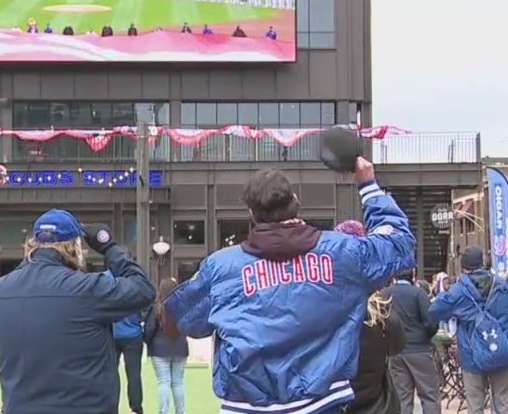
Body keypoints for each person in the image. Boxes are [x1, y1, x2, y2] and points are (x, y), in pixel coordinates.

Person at [165, 158, 415, 414]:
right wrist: (368, 186)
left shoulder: (221, 267)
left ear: (252, 213)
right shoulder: (341, 253)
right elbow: (399, 244)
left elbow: (187, 319)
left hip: (248, 404)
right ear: (295, 201)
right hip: (320, 401)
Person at [0, 211, 156, 414]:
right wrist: (109, 247)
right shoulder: (87, 289)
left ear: (32, 244)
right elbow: (143, 289)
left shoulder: (0, 290)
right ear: (75, 246)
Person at [428, 246, 508, 414]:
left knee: (475, 405)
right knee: (504, 404)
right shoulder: (502, 285)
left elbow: (434, 311)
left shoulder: (459, 290)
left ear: (464, 267)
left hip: (471, 353)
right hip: (502, 349)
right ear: (483, 262)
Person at [334, 220, 404, 414]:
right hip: (375, 404)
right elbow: (398, 345)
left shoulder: (321, 305)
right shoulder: (380, 310)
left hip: (334, 403)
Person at [386, 269, 441, 414]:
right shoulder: (419, 293)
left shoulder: (385, 295)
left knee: (402, 397)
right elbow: (431, 322)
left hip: (396, 350)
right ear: (413, 275)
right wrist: (427, 337)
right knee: (429, 395)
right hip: (420, 348)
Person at [144, 279, 189, 414]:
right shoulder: (182, 307)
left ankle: (163, 411)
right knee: (178, 382)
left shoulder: (156, 308)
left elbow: (149, 329)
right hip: (180, 348)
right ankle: (181, 411)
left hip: (159, 350)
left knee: (163, 382)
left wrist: (148, 342)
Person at [111, 301, 145, 413]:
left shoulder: (112, 292)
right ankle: (136, 408)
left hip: (114, 335)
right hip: (133, 334)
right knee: (134, 375)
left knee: (111, 375)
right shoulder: (133, 293)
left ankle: (110, 406)